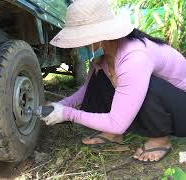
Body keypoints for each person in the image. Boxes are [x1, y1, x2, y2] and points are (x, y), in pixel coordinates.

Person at [43, 0, 186, 163]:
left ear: (101, 37)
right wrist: (61, 105)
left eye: (81, 41)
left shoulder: (134, 57)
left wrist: (67, 114)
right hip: (168, 103)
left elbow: (117, 122)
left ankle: (159, 138)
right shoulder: (101, 57)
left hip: (181, 110)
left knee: (143, 84)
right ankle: (112, 133)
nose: (77, 48)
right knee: (100, 78)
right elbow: (87, 90)